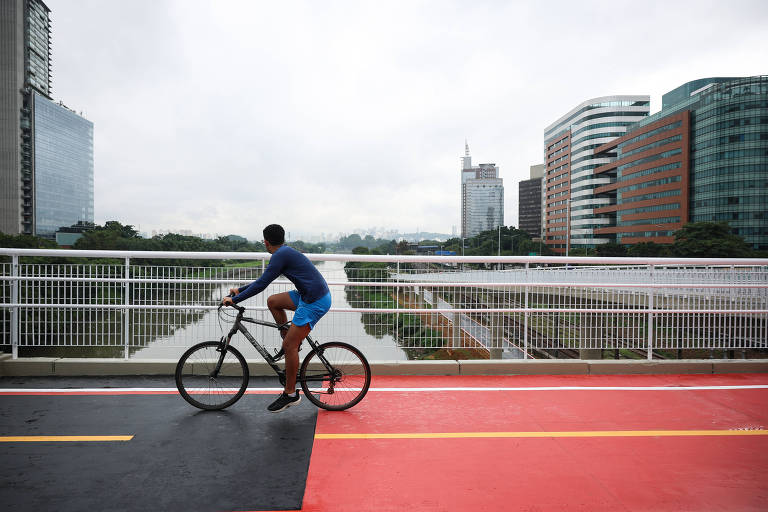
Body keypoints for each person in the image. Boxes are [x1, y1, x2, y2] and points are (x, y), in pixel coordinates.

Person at [222, 224, 331, 413]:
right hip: (308, 295)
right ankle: (290, 341)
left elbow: (262, 284)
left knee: (289, 346)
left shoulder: (280, 255)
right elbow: (262, 280)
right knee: (273, 301)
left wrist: (234, 300)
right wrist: (239, 290)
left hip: (315, 301)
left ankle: (290, 394)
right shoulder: (284, 252)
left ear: (265, 241)